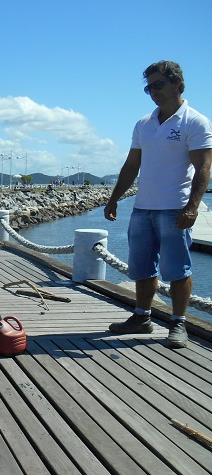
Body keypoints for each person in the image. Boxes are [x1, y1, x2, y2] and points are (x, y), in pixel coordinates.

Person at [104, 60, 212, 349]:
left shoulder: (195, 121)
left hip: (174, 208)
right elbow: (131, 165)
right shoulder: (144, 123)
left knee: (177, 270)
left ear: (177, 83)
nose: (153, 91)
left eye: (158, 84)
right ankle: (142, 316)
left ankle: (178, 323)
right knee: (141, 267)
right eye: (149, 87)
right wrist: (114, 198)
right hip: (142, 208)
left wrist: (192, 207)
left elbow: (203, 167)